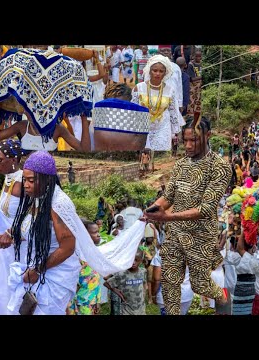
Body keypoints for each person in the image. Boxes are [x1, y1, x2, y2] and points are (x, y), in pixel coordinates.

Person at [0, 151, 146, 315]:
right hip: (33, 268)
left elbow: (67, 247)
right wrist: (11, 233)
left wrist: (37, 271)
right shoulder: (37, 197)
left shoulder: (58, 204)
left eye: (31, 180)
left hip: (51, 275)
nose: (26, 185)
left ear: (47, 179)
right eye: (24, 179)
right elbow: (30, 224)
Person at [142, 116, 232, 315]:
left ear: (208, 136)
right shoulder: (181, 164)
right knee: (170, 283)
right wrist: (152, 210)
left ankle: (225, 303)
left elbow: (206, 209)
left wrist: (167, 218)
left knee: (201, 285)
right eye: (186, 141)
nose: (189, 146)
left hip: (200, 235)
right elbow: (168, 196)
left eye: (195, 140)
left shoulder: (219, 167)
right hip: (175, 234)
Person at [0, 139, 26, 314]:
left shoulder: (23, 182)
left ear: (14, 160)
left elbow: (29, 215)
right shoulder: (10, 179)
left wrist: (11, 232)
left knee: (4, 288)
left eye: (0, 160)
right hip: (3, 247)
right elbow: (10, 207)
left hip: (15, 246)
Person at [132, 55, 185, 169]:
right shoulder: (139, 88)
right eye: (154, 70)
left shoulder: (170, 90)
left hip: (162, 125)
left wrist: (175, 131)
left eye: (161, 71)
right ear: (149, 71)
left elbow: (173, 111)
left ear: (165, 73)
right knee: (144, 152)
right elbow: (133, 109)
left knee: (160, 157)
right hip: (143, 125)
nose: (157, 73)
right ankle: (143, 170)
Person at [0, 106, 90, 152]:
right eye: (27, 110)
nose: (30, 114)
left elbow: (84, 149)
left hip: (47, 179)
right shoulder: (22, 126)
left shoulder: (57, 129)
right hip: (27, 180)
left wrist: (84, 117)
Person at [67, 220, 102, 315]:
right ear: (84, 235)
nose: (99, 235)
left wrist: (98, 301)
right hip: (80, 305)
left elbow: (95, 281)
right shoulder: (77, 257)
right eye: (95, 232)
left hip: (92, 303)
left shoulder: (93, 254)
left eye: (98, 231)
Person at [104, 250, 147, 315]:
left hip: (141, 309)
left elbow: (144, 283)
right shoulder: (122, 274)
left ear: (141, 261)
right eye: (132, 260)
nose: (133, 262)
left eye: (136, 260)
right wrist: (117, 292)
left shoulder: (143, 272)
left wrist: (144, 292)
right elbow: (106, 283)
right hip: (127, 310)